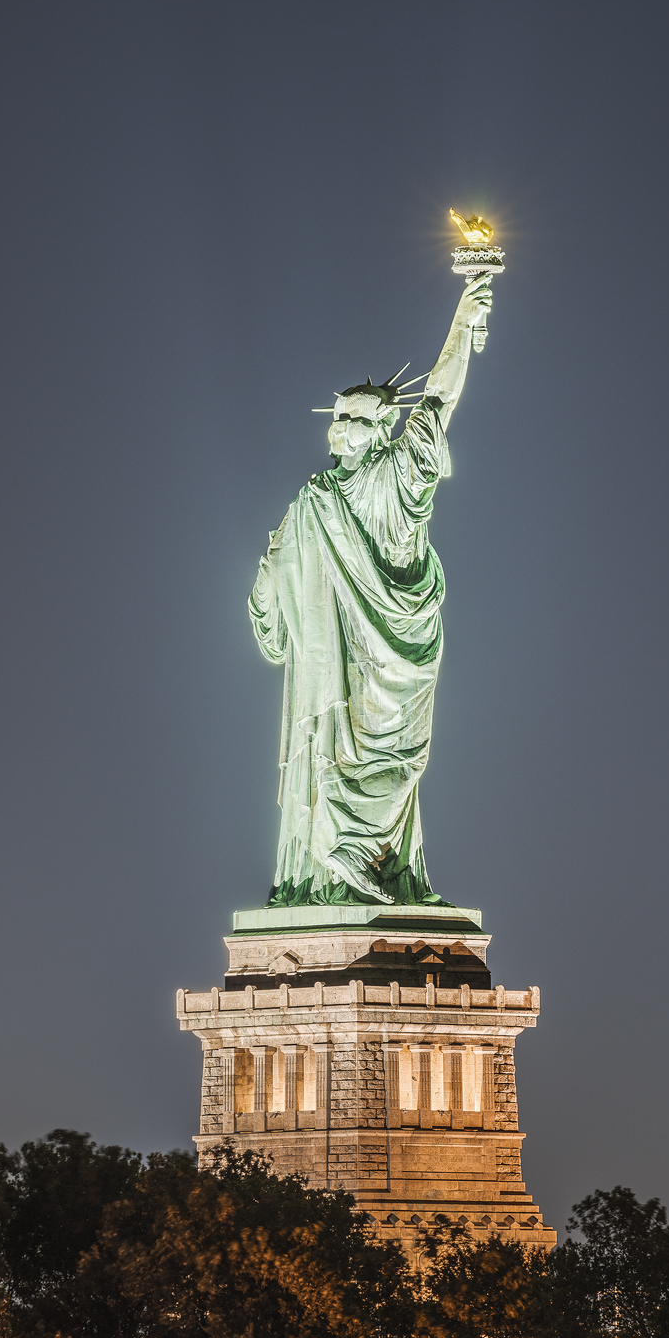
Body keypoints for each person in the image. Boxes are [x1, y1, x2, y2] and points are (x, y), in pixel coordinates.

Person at [249, 275, 494, 906]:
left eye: (354, 419)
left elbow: (437, 400)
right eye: (336, 417)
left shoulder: (396, 481)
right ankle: (340, 857)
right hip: (341, 671)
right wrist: (269, 582)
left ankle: (360, 855)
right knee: (361, 747)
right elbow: (270, 607)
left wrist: (464, 319)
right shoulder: (310, 505)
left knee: (398, 757)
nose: (338, 428)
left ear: (381, 430)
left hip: (392, 654)